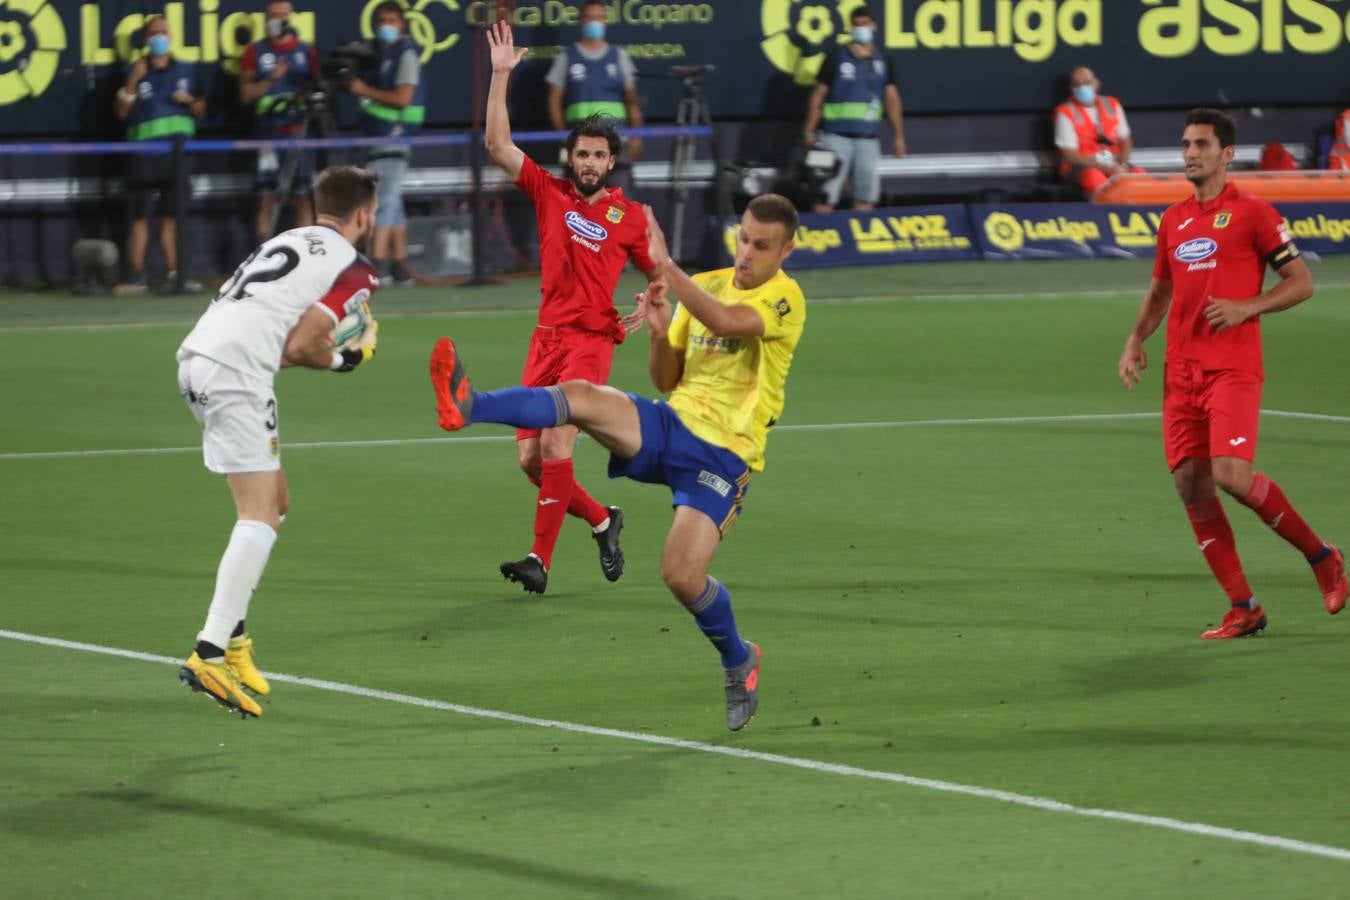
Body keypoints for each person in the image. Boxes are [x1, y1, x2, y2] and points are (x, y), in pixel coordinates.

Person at [429, 192, 806, 731]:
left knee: (680, 574)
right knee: (579, 395)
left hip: (724, 456)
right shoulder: (710, 280)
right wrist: (658, 332)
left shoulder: (785, 299)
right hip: (672, 426)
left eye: (761, 245)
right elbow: (666, 379)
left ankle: (738, 658)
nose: (746, 252)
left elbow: (723, 322)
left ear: (786, 251)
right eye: (743, 237)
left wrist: (666, 268)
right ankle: (469, 403)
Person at [1117, 108, 1347, 640]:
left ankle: (1323, 557)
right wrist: (1135, 339)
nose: (1190, 153)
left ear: (1225, 154)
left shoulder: (1254, 213)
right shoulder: (1173, 220)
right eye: (1185, 144)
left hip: (1233, 369)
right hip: (1182, 374)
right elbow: (1159, 291)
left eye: (1200, 144)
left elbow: (1302, 282)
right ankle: (1243, 605)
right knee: (1190, 485)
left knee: (1230, 475)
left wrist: (1249, 307)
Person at [175, 165, 381, 717]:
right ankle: (209, 653)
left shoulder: (287, 239)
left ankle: (236, 644)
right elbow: (299, 346)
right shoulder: (355, 266)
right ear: (366, 214)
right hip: (237, 372)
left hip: (198, 361)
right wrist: (347, 358)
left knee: (274, 503)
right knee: (260, 516)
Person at [483, 20, 659, 595]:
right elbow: (497, 145)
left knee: (558, 443)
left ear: (610, 162)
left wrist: (652, 297)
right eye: (581, 153)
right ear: (570, 156)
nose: (588, 162)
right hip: (546, 339)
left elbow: (661, 270)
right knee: (531, 464)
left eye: (598, 155)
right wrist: (500, 75)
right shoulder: (548, 192)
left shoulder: (629, 215)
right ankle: (605, 519)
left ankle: (540, 560)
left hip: (590, 341)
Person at [113, 15, 205, 293]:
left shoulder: (187, 72)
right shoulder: (135, 70)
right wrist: (133, 81)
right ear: (145, 39)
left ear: (171, 36)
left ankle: (174, 275)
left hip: (177, 157)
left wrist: (189, 102)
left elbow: (201, 111)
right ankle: (137, 276)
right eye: (154, 34)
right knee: (140, 217)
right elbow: (121, 112)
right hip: (143, 155)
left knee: (171, 217)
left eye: (163, 33)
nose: (159, 38)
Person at [345, 0, 424, 286]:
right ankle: (400, 264)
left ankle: (377, 264)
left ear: (402, 24)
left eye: (392, 21)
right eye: (381, 21)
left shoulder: (405, 55)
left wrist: (362, 89)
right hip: (378, 135)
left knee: (384, 200)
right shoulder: (379, 55)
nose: (385, 26)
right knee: (393, 201)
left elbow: (403, 98)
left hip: (396, 135)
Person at [802, 5, 905, 213]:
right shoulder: (836, 56)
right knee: (825, 196)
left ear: (874, 26)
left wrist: (898, 136)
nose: (860, 28)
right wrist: (808, 131)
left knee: (865, 198)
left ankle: (857, 243)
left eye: (864, 24)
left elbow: (892, 99)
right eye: (856, 25)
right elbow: (818, 96)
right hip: (833, 139)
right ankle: (823, 240)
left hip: (868, 139)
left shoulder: (884, 59)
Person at [239, 0, 322, 244]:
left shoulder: (307, 51)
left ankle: (303, 257)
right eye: (273, 15)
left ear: (291, 17)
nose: (278, 20)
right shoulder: (254, 52)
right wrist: (270, 80)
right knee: (266, 197)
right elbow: (245, 95)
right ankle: (263, 256)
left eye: (282, 15)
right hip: (268, 134)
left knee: (303, 197)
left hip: (299, 132)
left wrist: (307, 94)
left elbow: (318, 87)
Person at [545, 0, 643, 192]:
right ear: (580, 22)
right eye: (589, 17)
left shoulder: (619, 56)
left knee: (620, 205)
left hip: (616, 144)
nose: (594, 22)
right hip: (580, 145)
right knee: (580, 205)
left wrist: (636, 136)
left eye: (598, 17)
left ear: (605, 22)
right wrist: (563, 137)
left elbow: (631, 100)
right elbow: (553, 100)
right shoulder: (567, 57)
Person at [1055, 66, 1143, 198]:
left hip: (1113, 161)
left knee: (1138, 174)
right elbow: (1070, 155)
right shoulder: (1064, 112)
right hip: (1081, 165)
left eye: (1086, 82)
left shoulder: (1112, 104)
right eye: (1077, 84)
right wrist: (1107, 168)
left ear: (1096, 83)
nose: (1082, 88)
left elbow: (1125, 140)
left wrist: (1122, 163)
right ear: (1071, 88)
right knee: (1094, 177)